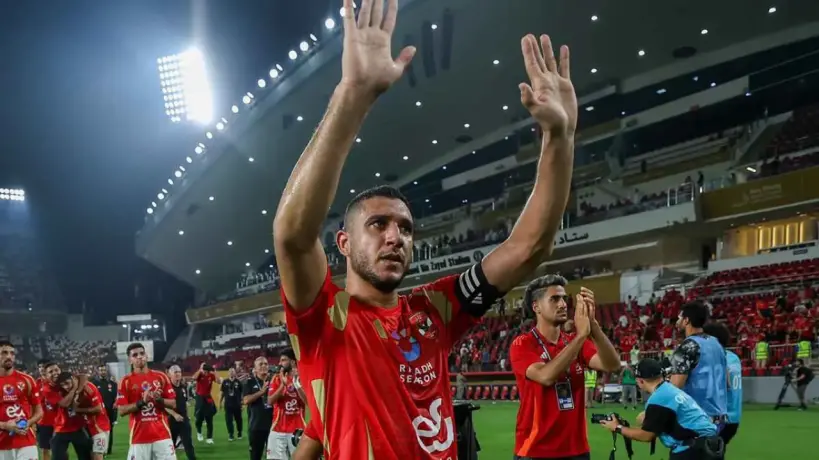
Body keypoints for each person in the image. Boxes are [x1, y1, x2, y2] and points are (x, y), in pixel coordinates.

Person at [273, 0, 577, 457]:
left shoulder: (435, 309)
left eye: (405, 228)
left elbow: (529, 247)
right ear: (344, 243)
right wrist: (353, 94)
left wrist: (559, 138)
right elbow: (293, 237)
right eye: (378, 224)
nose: (395, 236)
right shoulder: (323, 318)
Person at [509, 275, 621, 460]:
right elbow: (545, 376)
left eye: (563, 299)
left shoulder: (574, 343)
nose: (562, 305)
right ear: (536, 307)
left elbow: (612, 365)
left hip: (577, 450)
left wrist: (593, 327)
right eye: (554, 299)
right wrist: (581, 336)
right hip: (536, 450)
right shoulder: (523, 344)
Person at [600, 359, 724, 460]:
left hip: (692, 450)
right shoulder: (669, 389)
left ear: (639, 380)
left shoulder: (658, 399)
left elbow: (646, 436)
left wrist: (617, 427)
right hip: (711, 445)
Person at [669, 301, 728, 426]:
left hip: (697, 418)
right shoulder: (716, 343)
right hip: (720, 417)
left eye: (679, 318)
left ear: (686, 320)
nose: (677, 322)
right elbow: (727, 381)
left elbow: (675, 387)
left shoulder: (688, 346)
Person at [116, 342, 177, 460]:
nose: (139, 357)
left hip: (162, 435)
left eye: (142, 353)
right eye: (135, 355)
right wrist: (142, 402)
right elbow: (122, 410)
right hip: (139, 437)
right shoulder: (125, 381)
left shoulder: (161, 377)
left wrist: (159, 399)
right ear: (130, 360)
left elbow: (173, 404)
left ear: (146, 356)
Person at [0, 340, 43, 460]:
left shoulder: (27, 380)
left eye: (12, 353)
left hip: (26, 442)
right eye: (4, 353)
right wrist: (5, 425)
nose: (9, 356)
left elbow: (39, 411)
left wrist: (27, 423)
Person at [41, 363, 93, 460]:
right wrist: (74, 389)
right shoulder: (47, 389)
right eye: (51, 372)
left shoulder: (66, 378)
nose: (55, 373)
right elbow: (64, 403)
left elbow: (83, 376)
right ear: (46, 375)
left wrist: (78, 389)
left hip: (78, 426)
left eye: (56, 370)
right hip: (61, 428)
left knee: (86, 457)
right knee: (58, 457)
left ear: (60, 370)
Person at [55, 371, 111, 460]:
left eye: (67, 383)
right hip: (86, 427)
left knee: (97, 456)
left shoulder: (88, 387)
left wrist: (78, 410)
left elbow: (98, 409)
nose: (66, 387)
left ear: (73, 379)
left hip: (100, 426)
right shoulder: (69, 391)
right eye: (63, 385)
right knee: (89, 456)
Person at [702, 323, 742, 445]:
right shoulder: (734, 357)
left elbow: (724, 384)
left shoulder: (716, 358)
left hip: (719, 419)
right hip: (734, 417)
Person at [267, 349, 305, 460]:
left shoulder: (303, 377)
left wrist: (297, 384)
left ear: (292, 362)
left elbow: (308, 402)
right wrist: (282, 385)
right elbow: (270, 401)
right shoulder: (276, 378)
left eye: (283, 360)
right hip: (277, 428)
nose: (280, 363)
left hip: (298, 429)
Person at [243, 357, 273, 460]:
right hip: (256, 426)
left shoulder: (274, 381)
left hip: (274, 427)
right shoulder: (249, 382)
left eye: (266, 364)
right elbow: (246, 400)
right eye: (260, 364)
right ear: (255, 369)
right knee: (255, 456)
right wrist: (261, 392)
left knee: (273, 456)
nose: (264, 366)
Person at [166, 365, 197, 460]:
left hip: (183, 419)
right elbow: (164, 406)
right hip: (171, 420)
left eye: (179, 372)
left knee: (188, 443)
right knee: (170, 445)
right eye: (175, 372)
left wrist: (187, 416)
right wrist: (175, 415)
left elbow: (185, 403)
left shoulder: (183, 387)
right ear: (170, 374)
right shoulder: (166, 388)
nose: (178, 374)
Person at [90, 364, 118, 456]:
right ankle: (98, 449)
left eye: (104, 370)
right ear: (98, 371)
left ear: (106, 371)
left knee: (110, 430)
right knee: (97, 430)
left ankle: (108, 450)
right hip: (98, 411)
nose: (103, 372)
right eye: (101, 370)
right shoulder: (93, 384)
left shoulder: (113, 384)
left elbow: (116, 397)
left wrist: (116, 403)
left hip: (110, 411)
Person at [192, 363, 218, 444]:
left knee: (209, 418)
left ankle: (209, 438)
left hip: (208, 397)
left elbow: (219, 381)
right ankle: (199, 432)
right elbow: (194, 377)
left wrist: (215, 371)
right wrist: (200, 369)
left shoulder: (211, 375)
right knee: (199, 418)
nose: (205, 372)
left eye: (207, 371)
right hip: (200, 397)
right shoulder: (200, 374)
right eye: (204, 370)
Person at [36, 359, 57, 460]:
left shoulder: (55, 383)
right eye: (39, 367)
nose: (41, 369)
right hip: (43, 422)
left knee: (59, 449)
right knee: (45, 449)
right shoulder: (36, 383)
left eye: (43, 366)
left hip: (57, 421)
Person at [220, 367, 244, 441]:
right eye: (230, 371)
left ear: (235, 373)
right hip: (228, 405)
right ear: (228, 373)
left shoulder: (238, 382)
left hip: (237, 404)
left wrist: (242, 404)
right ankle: (231, 434)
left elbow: (242, 394)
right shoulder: (225, 382)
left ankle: (239, 432)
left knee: (238, 420)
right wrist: (220, 402)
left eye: (233, 371)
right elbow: (222, 393)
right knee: (228, 420)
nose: (231, 373)